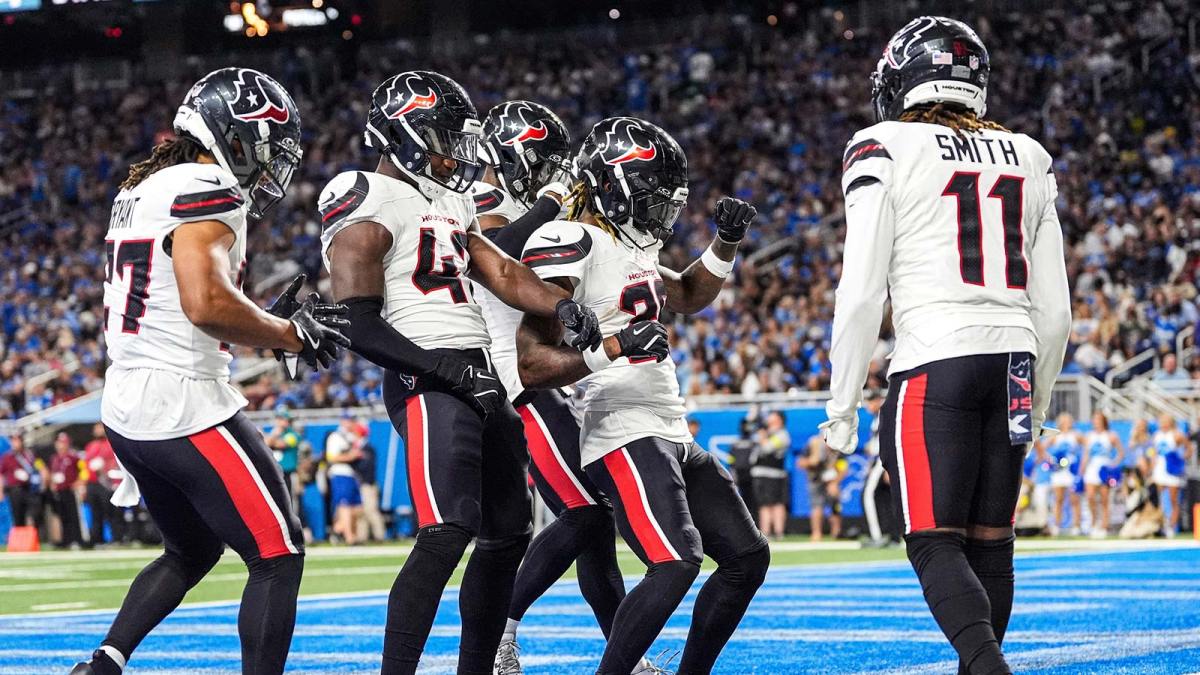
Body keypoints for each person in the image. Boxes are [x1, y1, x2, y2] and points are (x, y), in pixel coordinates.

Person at [317, 71, 602, 675]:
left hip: (477, 372)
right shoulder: (363, 192)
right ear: (405, 133)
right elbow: (358, 322)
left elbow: (499, 270)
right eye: (444, 136)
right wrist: (443, 370)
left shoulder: (450, 200)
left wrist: (559, 303)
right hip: (426, 377)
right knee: (447, 529)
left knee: (507, 533)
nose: (456, 150)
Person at [71, 68, 349, 675]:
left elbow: (188, 304)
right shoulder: (208, 186)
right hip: (182, 404)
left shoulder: (146, 188)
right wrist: (289, 333)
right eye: (263, 145)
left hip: (126, 402)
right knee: (280, 554)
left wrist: (257, 324)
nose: (268, 163)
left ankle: (103, 665)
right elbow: (206, 304)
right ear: (229, 134)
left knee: (192, 549)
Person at [821, 17, 1071, 675]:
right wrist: (1037, 396)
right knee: (993, 544)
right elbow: (1057, 310)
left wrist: (841, 403)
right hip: (1015, 358)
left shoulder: (884, 144)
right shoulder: (1030, 154)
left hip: (936, 359)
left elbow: (861, 290)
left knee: (935, 543)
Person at [515, 116, 769, 675]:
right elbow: (531, 362)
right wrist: (613, 346)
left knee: (747, 558)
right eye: (652, 195)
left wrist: (724, 245)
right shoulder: (568, 239)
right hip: (619, 423)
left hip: (668, 424)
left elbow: (685, 294)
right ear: (611, 184)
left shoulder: (631, 244)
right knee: (675, 560)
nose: (662, 211)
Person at [465, 100, 645, 675]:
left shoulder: (528, 206)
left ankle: (623, 652)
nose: (548, 175)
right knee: (585, 512)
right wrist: (550, 203)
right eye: (539, 163)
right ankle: (501, 634)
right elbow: (499, 258)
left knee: (597, 522)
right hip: (516, 376)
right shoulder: (482, 200)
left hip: (549, 373)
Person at [1039, 413, 1084, 535]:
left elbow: (1087, 446)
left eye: (1068, 420)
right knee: (1058, 499)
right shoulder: (1056, 436)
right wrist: (1052, 460)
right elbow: (1041, 448)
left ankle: (1076, 526)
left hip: (1072, 471)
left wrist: (1080, 464)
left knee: (1075, 499)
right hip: (1059, 472)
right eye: (1064, 420)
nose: (1067, 423)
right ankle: (1056, 525)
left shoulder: (1076, 435)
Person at [1081, 412, 1123, 537]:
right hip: (1092, 468)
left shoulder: (1111, 436)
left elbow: (1121, 452)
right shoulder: (1089, 436)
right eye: (1094, 419)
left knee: (1105, 499)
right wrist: (1082, 469)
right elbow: (1086, 454)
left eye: (1098, 419)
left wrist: (1113, 464)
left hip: (1105, 469)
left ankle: (1104, 526)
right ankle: (1094, 523)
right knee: (1090, 496)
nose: (1096, 422)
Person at [325, 412, 364, 545]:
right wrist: (350, 457)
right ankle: (350, 537)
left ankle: (337, 530)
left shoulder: (351, 436)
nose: (351, 423)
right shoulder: (335, 437)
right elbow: (331, 457)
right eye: (349, 420)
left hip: (352, 474)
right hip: (340, 473)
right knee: (345, 505)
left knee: (357, 508)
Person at [751, 411, 790, 540]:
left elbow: (767, 448)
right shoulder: (768, 433)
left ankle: (777, 532)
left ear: (779, 420)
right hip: (762, 474)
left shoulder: (782, 435)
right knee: (764, 504)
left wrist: (762, 436)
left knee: (775, 503)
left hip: (773, 475)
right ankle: (765, 533)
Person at [83, 423, 124, 545]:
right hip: (92, 483)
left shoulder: (111, 444)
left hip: (107, 483)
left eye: (100, 428)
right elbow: (86, 465)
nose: (97, 430)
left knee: (111, 512)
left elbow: (116, 462)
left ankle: (117, 538)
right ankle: (97, 540)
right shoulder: (90, 446)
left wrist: (105, 466)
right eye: (96, 428)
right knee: (95, 513)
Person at [1150, 413, 1190, 536]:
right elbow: (1154, 451)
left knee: (1173, 499)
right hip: (1160, 468)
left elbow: (1189, 448)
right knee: (1161, 499)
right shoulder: (1157, 435)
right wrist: (1153, 462)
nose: (1163, 424)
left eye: (1165, 421)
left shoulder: (1177, 434)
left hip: (1172, 469)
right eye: (1161, 421)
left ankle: (1172, 526)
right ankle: (1162, 525)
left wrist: (1181, 459)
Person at [0, 431, 46, 529]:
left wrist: (43, 483)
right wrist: (1, 491)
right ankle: (21, 540)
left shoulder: (30, 455)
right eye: (13, 441)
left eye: (17, 441)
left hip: (29, 489)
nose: (15, 443)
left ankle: (33, 535)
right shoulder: (7, 457)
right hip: (15, 490)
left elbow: (42, 468)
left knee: (35, 512)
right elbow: (1, 474)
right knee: (18, 516)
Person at [49, 432, 86, 548]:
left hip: (70, 490)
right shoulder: (54, 458)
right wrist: (52, 483)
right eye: (59, 443)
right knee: (62, 516)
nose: (60, 446)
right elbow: (53, 473)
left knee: (73, 515)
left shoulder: (74, 457)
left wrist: (79, 482)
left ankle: (77, 540)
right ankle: (66, 540)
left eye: (63, 443)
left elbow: (85, 470)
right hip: (59, 490)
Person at [265, 408, 301, 507]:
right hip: (276, 473)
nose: (282, 422)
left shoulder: (293, 435)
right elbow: (266, 444)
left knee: (290, 502)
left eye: (284, 419)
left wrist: (273, 437)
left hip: (288, 473)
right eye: (279, 419)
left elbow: (281, 444)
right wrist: (274, 435)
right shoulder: (273, 433)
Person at [798, 435, 830, 541]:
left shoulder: (836, 444)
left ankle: (836, 532)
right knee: (816, 506)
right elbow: (800, 463)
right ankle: (817, 533)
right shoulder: (812, 443)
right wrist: (811, 461)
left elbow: (843, 465)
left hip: (832, 480)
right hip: (816, 478)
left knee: (836, 506)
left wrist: (836, 480)